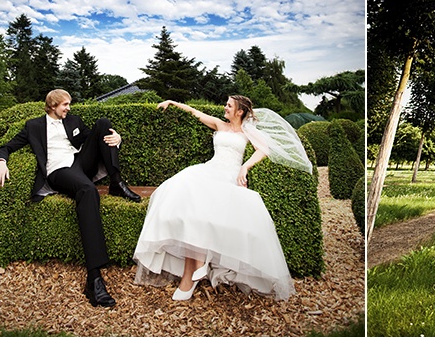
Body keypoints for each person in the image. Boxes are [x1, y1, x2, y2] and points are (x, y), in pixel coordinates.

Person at [132, 95, 312, 301]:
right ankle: (195, 268)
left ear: (240, 111)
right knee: (185, 194)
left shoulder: (247, 132)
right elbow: (194, 112)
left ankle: (190, 275)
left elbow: (264, 149)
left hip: (228, 175)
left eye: (229, 105)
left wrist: (245, 167)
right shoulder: (219, 124)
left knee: (203, 207)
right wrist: (172, 103)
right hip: (210, 169)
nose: (224, 108)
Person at [0, 89, 141, 308]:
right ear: (52, 106)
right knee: (88, 191)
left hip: (79, 162)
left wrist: (116, 139)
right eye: (65, 105)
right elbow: (6, 146)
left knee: (103, 123)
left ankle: (116, 182)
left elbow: (95, 139)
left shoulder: (74, 121)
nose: (69, 108)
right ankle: (94, 278)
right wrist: (1, 162)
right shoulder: (33, 126)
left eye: (69, 104)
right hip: (58, 170)